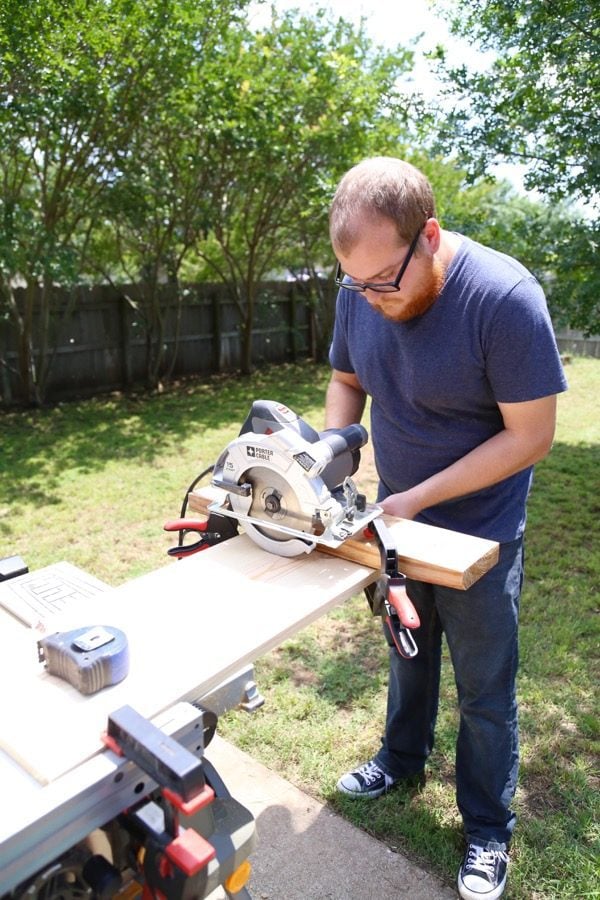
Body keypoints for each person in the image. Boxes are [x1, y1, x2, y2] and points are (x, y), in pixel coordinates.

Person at [325, 157, 567, 900]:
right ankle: (401, 760)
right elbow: (346, 379)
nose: (372, 301)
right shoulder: (361, 288)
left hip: (478, 534)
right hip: (398, 518)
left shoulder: (503, 299)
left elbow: (532, 435)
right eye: (356, 285)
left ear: (428, 235)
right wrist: (337, 460)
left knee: (486, 689)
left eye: (383, 283)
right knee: (407, 652)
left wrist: (422, 494)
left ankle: (488, 830)